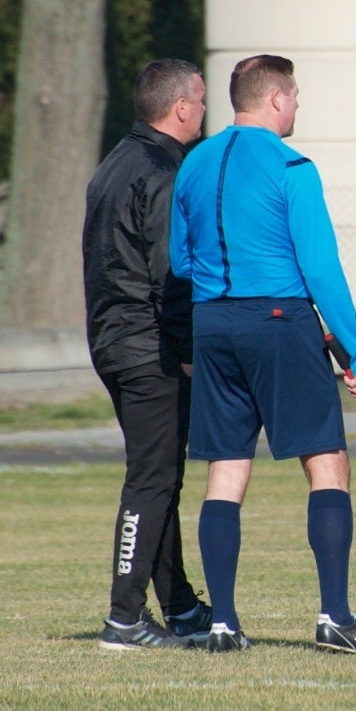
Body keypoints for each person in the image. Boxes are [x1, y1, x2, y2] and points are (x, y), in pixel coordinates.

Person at [170, 54, 356, 655]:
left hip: (212, 322)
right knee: (327, 463)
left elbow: (181, 263)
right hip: (279, 318)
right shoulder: (293, 165)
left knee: (226, 470)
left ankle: (224, 624)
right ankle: (336, 618)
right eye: (294, 96)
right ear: (275, 100)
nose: (297, 107)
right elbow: (321, 268)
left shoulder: (193, 164)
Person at [85, 59, 215, 650]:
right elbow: (171, 274)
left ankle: (181, 607)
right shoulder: (164, 171)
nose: (205, 114)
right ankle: (125, 617)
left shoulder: (113, 164)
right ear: (182, 107)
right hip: (149, 347)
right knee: (152, 480)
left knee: (160, 478)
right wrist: (186, 348)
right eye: (203, 103)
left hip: (112, 340)